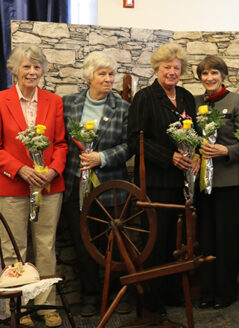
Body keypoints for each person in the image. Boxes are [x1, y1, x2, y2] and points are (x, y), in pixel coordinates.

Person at [127, 43, 197, 315]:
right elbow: (134, 140)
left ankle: (171, 292)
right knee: (156, 242)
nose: (172, 72)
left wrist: (197, 154)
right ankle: (151, 302)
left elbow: (197, 131)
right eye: (166, 67)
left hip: (184, 183)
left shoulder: (187, 96)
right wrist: (170, 158)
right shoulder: (145, 97)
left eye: (176, 68)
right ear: (156, 69)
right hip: (157, 182)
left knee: (177, 242)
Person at [0, 45, 67, 327]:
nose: (32, 72)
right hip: (12, 186)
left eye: (37, 67)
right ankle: (19, 307)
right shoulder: (1, 100)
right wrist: (21, 169)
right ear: (14, 69)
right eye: (26, 66)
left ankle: (46, 306)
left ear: (43, 71)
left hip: (49, 186)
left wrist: (52, 171)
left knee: (46, 246)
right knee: (14, 249)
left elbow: (62, 144)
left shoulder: (54, 101)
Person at [61, 51, 131, 317]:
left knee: (112, 244)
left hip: (110, 189)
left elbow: (129, 146)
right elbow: (60, 141)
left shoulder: (123, 107)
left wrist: (101, 157)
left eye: (111, 74)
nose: (108, 78)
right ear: (89, 76)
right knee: (81, 244)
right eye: (102, 73)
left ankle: (114, 293)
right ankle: (90, 295)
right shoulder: (68, 104)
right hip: (74, 187)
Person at [194, 55, 239, 309]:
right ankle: (206, 292)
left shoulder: (237, 101)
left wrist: (226, 151)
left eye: (214, 73)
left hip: (228, 181)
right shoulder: (194, 102)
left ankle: (226, 293)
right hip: (201, 183)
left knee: (226, 240)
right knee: (205, 239)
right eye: (205, 74)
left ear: (223, 75)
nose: (209, 78)